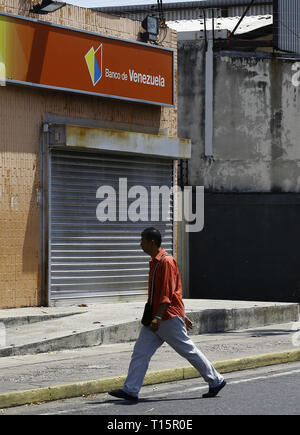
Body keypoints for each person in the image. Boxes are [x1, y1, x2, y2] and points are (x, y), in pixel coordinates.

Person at [109, 227, 226, 401]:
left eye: (142, 240)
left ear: (152, 242)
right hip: (158, 317)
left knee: (188, 350)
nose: (140, 244)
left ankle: (216, 380)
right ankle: (131, 389)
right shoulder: (154, 262)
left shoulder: (166, 261)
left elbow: (167, 293)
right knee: (140, 352)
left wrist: (160, 317)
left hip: (165, 318)